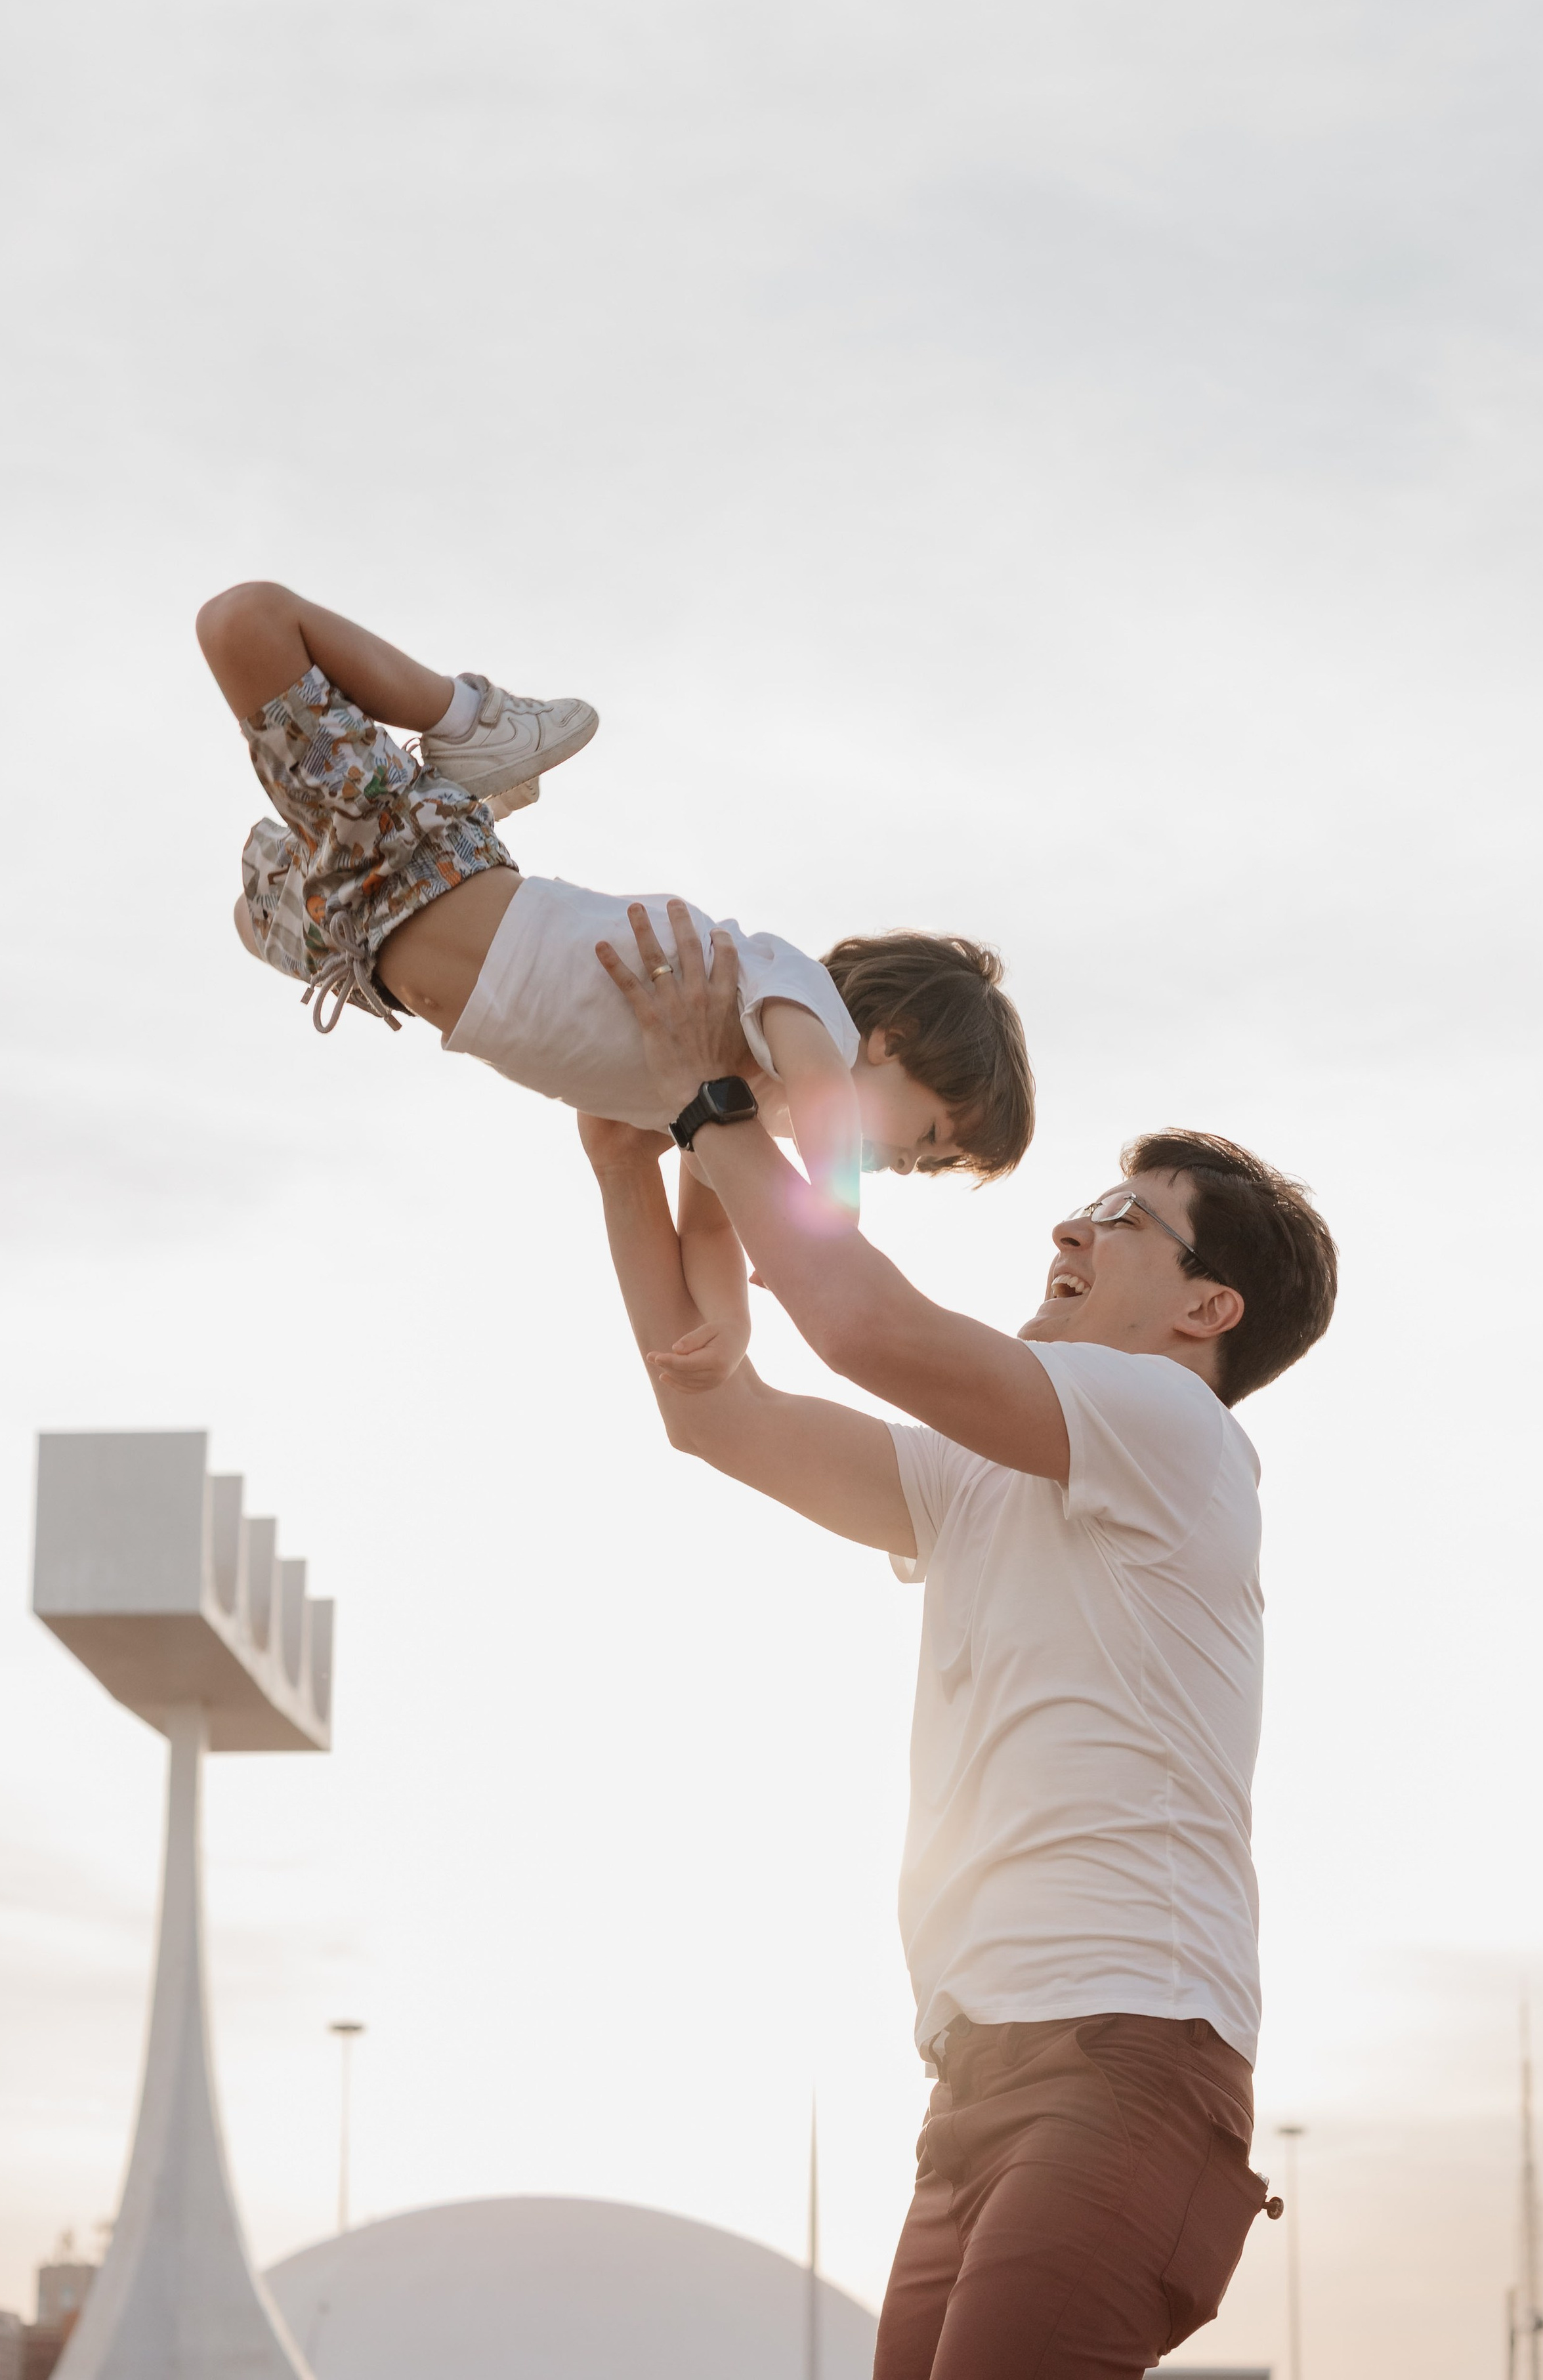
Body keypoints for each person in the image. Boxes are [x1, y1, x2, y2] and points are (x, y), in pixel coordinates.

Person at [578, 903, 1339, 2380]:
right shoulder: (981, 1474)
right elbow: (710, 1412)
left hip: (1127, 2061)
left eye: (1125, 1217)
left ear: (1207, 1307)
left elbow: (862, 1325)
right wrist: (627, 1167)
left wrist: (705, 1102)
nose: (1070, 1227)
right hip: (977, 2082)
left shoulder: (1173, 1430)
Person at [196, 582, 1034, 1386]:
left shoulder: (726, 1106)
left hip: (363, 940)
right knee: (245, 623)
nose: (902, 1165)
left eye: (923, 1167)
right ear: (892, 1040)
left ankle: (444, 803)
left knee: (247, 919)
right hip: (421, 863)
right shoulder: (798, 998)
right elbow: (822, 1091)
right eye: (927, 1136)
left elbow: (709, 1231)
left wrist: (731, 1330)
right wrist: (833, 1216)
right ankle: (471, 723)